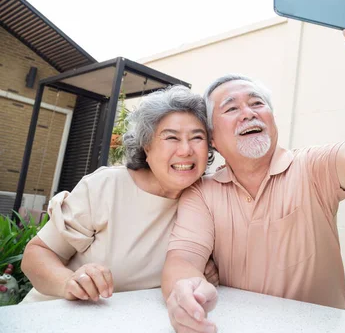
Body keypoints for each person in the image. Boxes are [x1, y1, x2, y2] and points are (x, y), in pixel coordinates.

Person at [162, 0, 345, 333]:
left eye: (257, 103)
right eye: (232, 108)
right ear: (213, 137)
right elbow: (183, 260)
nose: (249, 113)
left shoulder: (311, 168)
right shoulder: (202, 194)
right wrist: (184, 293)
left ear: (273, 119)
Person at [20, 85, 217, 303]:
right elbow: (35, 255)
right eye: (171, 138)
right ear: (146, 146)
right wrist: (69, 281)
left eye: (197, 137)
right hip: (59, 316)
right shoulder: (106, 186)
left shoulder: (206, 198)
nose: (185, 150)